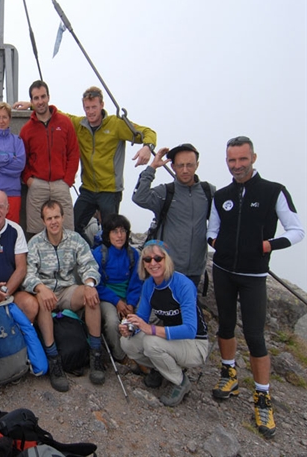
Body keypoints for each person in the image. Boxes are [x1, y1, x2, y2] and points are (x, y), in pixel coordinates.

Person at [207, 136, 304, 439]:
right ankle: (229, 374)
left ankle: (263, 396)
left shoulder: (273, 192)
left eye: (242, 159)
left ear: (253, 157)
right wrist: (216, 244)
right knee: (224, 326)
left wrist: (267, 245)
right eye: (231, 160)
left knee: (254, 334)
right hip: (223, 270)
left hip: (254, 276)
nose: (237, 166)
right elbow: (212, 229)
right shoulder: (221, 194)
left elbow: (297, 230)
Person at [16, 85, 156, 243]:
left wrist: (147, 147)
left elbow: (147, 132)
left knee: (110, 232)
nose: (90, 112)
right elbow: (53, 114)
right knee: (74, 227)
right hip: (88, 190)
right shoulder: (79, 124)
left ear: (102, 105)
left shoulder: (116, 124)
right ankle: (90, 253)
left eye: (94, 107)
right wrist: (32, 106)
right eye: (87, 108)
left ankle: (105, 262)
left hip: (109, 191)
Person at [16, 200, 104, 392]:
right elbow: (28, 274)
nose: (54, 222)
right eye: (49, 218)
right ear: (43, 221)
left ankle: (95, 353)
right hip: (45, 293)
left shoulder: (76, 240)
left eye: (57, 217)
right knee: (42, 300)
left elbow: (89, 264)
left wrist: (89, 283)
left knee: (91, 295)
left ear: (63, 217)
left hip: (67, 291)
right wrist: (40, 286)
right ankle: (53, 357)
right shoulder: (35, 244)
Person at [120, 241, 209, 407]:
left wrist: (150, 329)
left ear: (167, 260)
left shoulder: (183, 285)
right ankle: (161, 370)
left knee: (151, 341)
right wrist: (130, 327)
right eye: (147, 259)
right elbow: (142, 317)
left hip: (195, 344)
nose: (153, 263)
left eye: (158, 258)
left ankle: (180, 381)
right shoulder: (149, 285)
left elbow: (190, 329)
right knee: (127, 342)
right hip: (172, 341)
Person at [132, 143, 215, 286]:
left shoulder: (208, 191)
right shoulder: (165, 192)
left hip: (195, 271)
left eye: (189, 165)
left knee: (188, 308)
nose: (185, 170)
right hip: (167, 270)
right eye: (180, 165)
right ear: (173, 167)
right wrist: (152, 167)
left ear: (197, 165)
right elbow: (139, 197)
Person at [17, 81, 80, 235]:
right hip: (37, 184)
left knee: (67, 229)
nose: (40, 101)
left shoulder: (64, 122)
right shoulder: (27, 129)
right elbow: (21, 157)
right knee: (35, 230)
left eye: (43, 96)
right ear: (32, 101)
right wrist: (29, 179)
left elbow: (73, 151)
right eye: (36, 98)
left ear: (48, 97)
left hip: (61, 183)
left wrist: (68, 180)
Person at [92, 214, 141, 367]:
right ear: (107, 234)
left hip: (128, 296)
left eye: (122, 231)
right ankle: (121, 355)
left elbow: (136, 282)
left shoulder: (134, 254)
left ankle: (140, 353)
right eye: (115, 231)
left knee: (141, 318)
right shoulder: (98, 254)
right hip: (107, 297)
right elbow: (96, 285)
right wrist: (117, 301)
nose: (119, 236)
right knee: (112, 322)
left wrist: (131, 304)